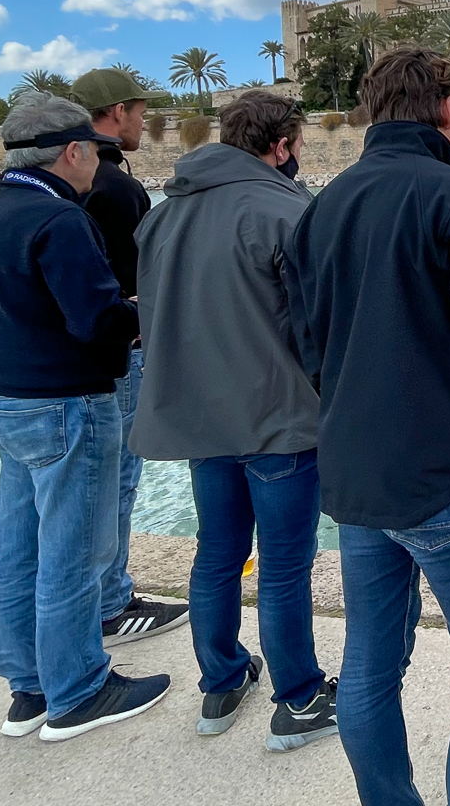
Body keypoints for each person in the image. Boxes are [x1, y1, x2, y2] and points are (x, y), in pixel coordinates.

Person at [284, 46, 450, 806]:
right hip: (444, 479)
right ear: (448, 110)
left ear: (370, 112)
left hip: (356, 477)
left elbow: (309, 348)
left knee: (368, 666)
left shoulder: (319, 211)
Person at [0, 92, 169, 742]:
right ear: (71, 152)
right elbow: (99, 323)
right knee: (76, 551)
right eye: (93, 154)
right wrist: (146, 313)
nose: (95, 167)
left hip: (1, 403)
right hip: (66, 405)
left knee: (19, 551)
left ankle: (30, 687)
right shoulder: (60, 222)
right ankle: (79, 689)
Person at [130, 91, 337, 751]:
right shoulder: (286, 209)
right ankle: (299, 699)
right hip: (277, 421)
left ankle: (220, 684)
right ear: (281, 146)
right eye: (296, 145)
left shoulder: (162, 219)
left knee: (217, 554)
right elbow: (319, 328)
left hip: (200, 423)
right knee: (281, 564)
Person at [69, 66, 189, 647]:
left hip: (85, 357)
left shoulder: (85, 184)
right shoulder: (115, 187)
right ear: (115, 112)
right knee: (115, 482)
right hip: (123, 350)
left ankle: (98, 596)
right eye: (140, 112)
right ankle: (111, 603)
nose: (145, 121)